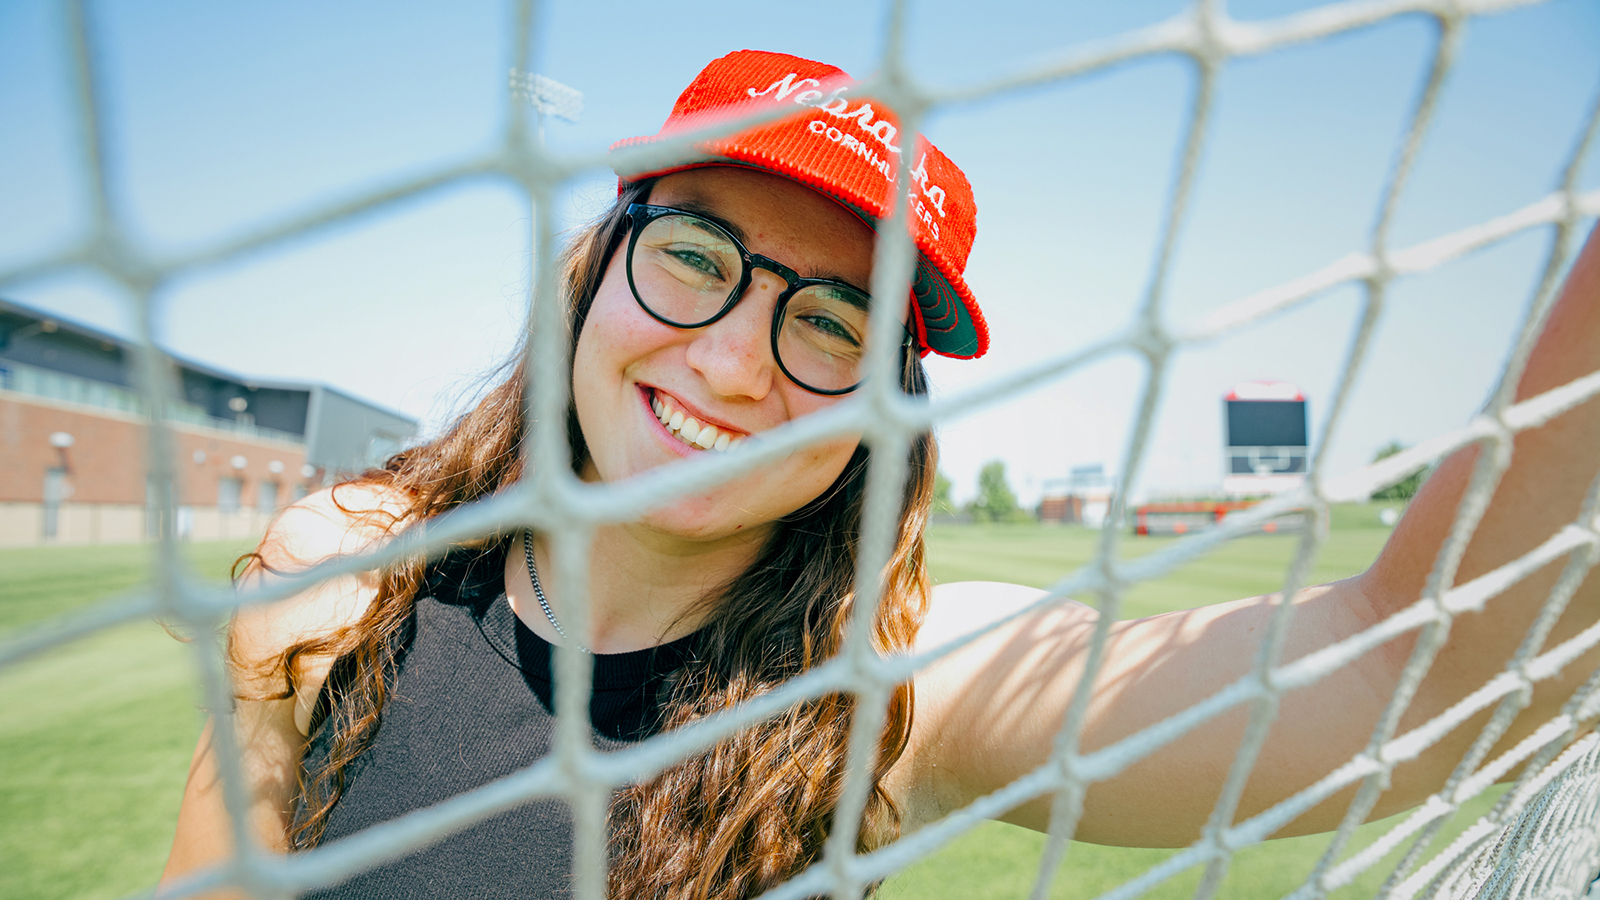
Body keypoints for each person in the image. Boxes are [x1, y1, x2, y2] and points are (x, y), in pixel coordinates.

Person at [159, 49, 1600, 899]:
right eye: (696, 261)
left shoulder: (887, 684)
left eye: (835, 325)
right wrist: (259, 716)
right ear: (591, 278)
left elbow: (1406, 676)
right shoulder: (357, 571)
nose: (733, 365)